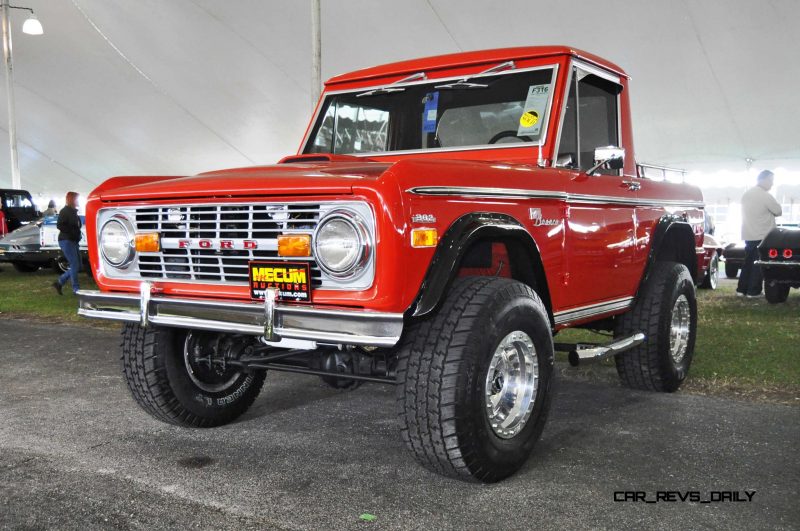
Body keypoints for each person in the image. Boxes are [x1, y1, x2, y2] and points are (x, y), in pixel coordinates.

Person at [737, 170, 782, 297]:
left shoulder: (747, 194)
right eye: (771, 181)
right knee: (759, 264)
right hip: (762, 235)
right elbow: (778, 211)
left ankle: (741, 289)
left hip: (748, 234)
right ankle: (754, 291)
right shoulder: (765, 195)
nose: (772, 184)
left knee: (748, 263)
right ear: (764, 179)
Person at [52, 192, 82, 295]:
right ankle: (76, 289)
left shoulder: (73, 212)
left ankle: (60, 282)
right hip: (66, 240)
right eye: (77, 199)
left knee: (78, 266)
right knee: (74, 264)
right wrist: (72, 232)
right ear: (72, 200)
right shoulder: (65, 211)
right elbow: (60, 225)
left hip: (73, 240)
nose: (78, 201)